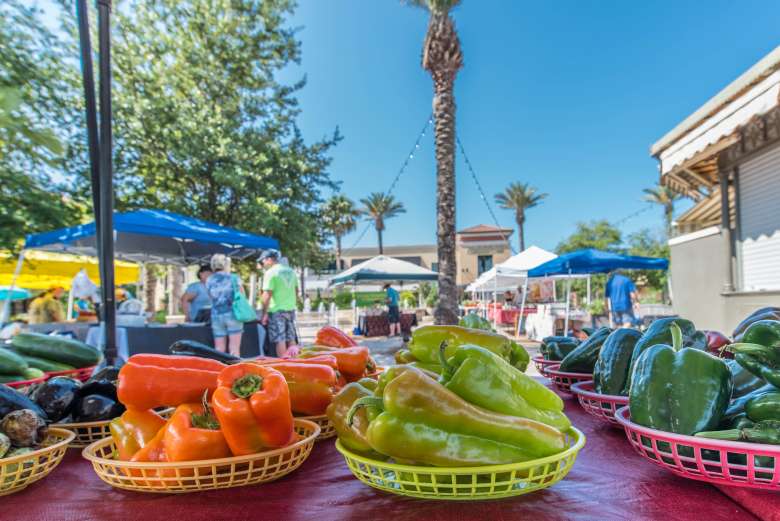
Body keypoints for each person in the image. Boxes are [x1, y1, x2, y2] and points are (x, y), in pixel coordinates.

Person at [259, 249, 299, 358]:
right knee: (291, 338)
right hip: (290, 310)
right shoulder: (291, 271)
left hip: (276, 311)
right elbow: (296, 291)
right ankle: (296, 363)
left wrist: (264, 313)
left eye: (263, 260)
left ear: (270, 259)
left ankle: (283, 365)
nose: (262, 263)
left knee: (280, 339)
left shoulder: (270, 273)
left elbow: (267, 294)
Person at [205, 254, 244, 357]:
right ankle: (234, 371)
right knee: (234, 348)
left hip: (216, 315)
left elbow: (210, 296)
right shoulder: (234, 278)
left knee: (219, 348)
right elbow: (241, 295)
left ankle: (219, 371)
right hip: (233, 314)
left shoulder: (209, 280)